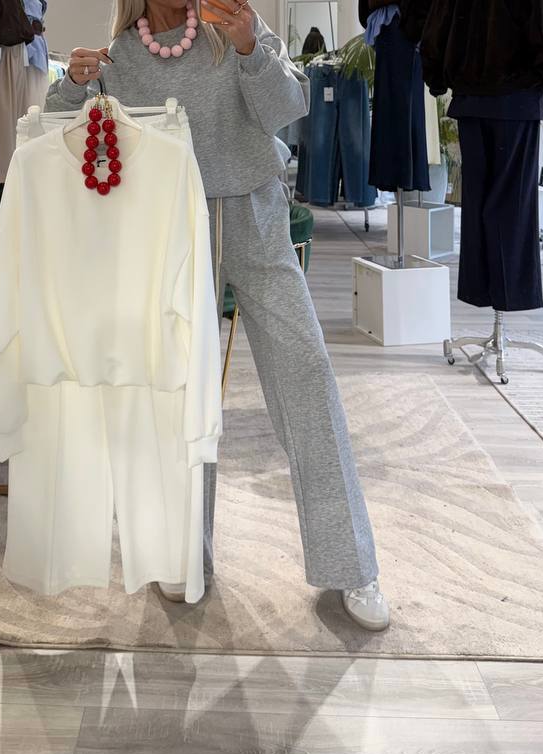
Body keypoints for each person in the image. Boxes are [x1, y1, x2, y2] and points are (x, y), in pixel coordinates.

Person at [47, 0, 390, 631]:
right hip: (171, 232)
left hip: (257, 217)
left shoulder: (231, 29)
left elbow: (289, 108)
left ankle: (350, 562)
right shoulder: (122, 58)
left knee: (307, 378)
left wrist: (251, 47)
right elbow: (61, 134)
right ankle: (184, 553)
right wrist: (71, 84)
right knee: (184, 392)